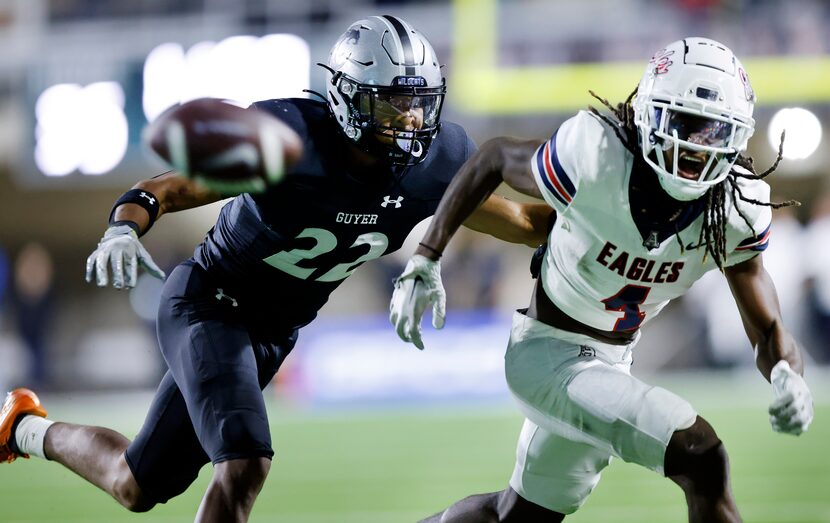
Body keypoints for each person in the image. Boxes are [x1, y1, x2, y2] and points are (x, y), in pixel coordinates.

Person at [0, 16, 550, 522]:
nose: (410, 120)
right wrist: (124, 225)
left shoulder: (436, 165)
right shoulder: (287, 142)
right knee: (244, 463)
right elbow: (168, 189)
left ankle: (21, 426)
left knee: (137, 484)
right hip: (207, 303)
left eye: (420, 104)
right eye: (391, 106)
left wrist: (611, 218)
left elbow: (523, 221)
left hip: (272, 333)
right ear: (348, 100)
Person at [390, 37, 814, 522]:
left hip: (611, 362)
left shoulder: (734, 210)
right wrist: (428, 253)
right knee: (702, 456)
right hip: (546, 354)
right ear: (649, 114)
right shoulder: (597, 156)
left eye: (716, 132)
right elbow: (494, 158)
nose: (697, 148)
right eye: (686, 125)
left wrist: (786, 373)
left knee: (517, 517)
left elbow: (767, 328)